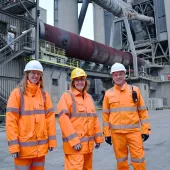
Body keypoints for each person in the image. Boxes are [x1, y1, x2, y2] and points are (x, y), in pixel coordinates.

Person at [6, 60, 57, 170]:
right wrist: (14, 146)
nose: (35, 76)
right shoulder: (17, 94)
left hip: (40, 150)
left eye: (38, 73)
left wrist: (52, 141)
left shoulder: (44, 95)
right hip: (23, 150)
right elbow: (11, 121)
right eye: (33, 73)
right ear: (27, 74)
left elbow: (50, 119)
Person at [102, 62, 151, 170]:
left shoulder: (134, 90)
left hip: (134, 133)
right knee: (121, 161)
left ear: (125, 74)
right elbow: (105, 115)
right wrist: (107, 133)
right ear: (112, 76)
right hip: (117, 135)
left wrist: (145, 129)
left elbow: (142, 112)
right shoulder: (108, 94)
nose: (118, 76)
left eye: (120, 74)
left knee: (139, 159)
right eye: (115, 74)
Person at [57, 67, 103, 170]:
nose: (80, 82)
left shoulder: (89, 98)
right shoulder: (67, 96)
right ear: (73, 82)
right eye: (77, 80)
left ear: (85, 81)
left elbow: (94, 119)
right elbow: (64, 120)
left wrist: (98, 138)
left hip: (88, 147)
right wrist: (74, 141)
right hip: (75, 147)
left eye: (82, 79)